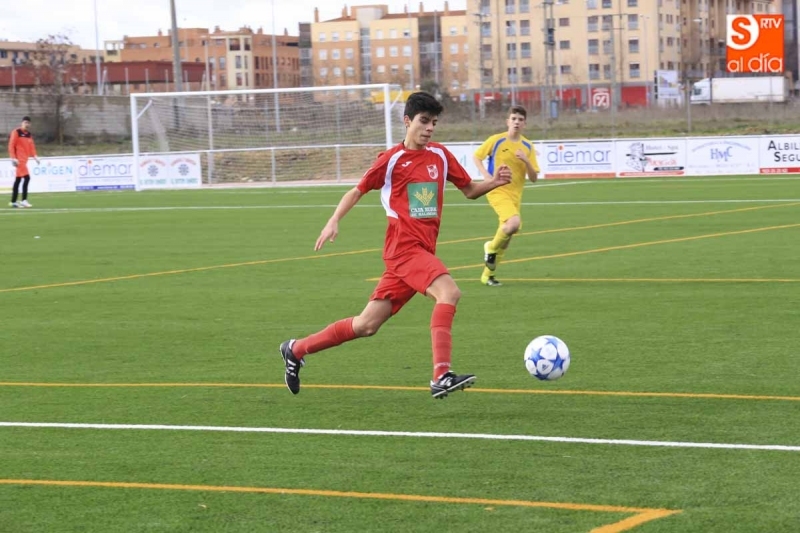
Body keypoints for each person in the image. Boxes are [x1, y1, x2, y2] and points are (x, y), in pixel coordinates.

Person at [279, 91, 512, 399]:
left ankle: (296, 349)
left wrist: (494, 182)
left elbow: (468, 189)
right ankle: (441, 374)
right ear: (407, 121)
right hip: (404, 250)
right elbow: (357, 190)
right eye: (423, 121)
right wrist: (333, 220)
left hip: (419, 254)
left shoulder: (440, 155)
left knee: (366, 325)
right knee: (449, 292)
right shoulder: (391, 160)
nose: (429, 128)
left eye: (434, 123)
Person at [472, 105, 540, 287]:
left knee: (507, 237)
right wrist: (486, 176)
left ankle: (487, 276)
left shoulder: (527, 146)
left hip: (515, 195)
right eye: (514, 119)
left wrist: (526, 160)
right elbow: (476, 156)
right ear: (508, 121)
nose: (517, 122)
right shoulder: (496, 140)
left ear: (525, 124)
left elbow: (534, 178)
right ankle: (490, 248)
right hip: (496, 190)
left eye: (520, 120)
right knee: (513, 223)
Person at [8, 116, 40, 208]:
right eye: (25, 122)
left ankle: (13, 201)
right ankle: (24, 200)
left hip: (24, 160)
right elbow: (11, 145)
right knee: (27, 178)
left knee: (18, 180)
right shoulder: (16, 132)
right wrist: (13, 158)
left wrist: (35, 156)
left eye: (28, 123)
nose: (27, 124)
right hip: (19, 160)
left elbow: (31, 147)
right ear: (22, 123)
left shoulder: (28, 135)